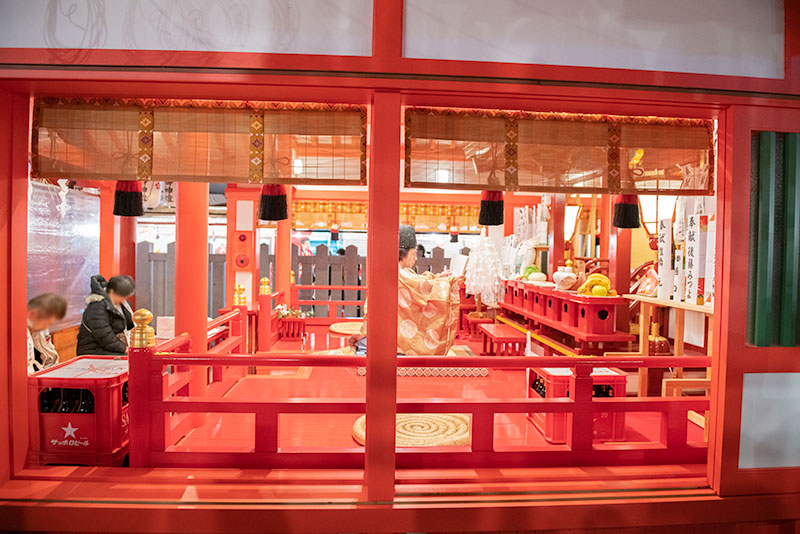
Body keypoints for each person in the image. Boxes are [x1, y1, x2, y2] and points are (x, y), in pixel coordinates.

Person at [350, 226, 462, 356]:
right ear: (403, 253)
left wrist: (439, 277)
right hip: (382, 335)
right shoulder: (397, 273)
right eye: (414, 254)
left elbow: (420, 280)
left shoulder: (397, 271)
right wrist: (449, 281)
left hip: (381, 330)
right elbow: (422, 285)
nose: (415, 259)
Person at [76, 275, 135, 356]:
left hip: (110, 347)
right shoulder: (97, 306)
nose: (124, 299)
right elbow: (104, 336)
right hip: (94, 351)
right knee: (131, 358)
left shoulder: (121, 304)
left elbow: (130, 324)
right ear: (112, 291)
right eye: (122, 296)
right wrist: (124, 349)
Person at [27, 293, 67, 374]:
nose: (46, 327)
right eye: (47, 323)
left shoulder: (39, 329)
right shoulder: (16, 332)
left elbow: (50, 357)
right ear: (32, 314)